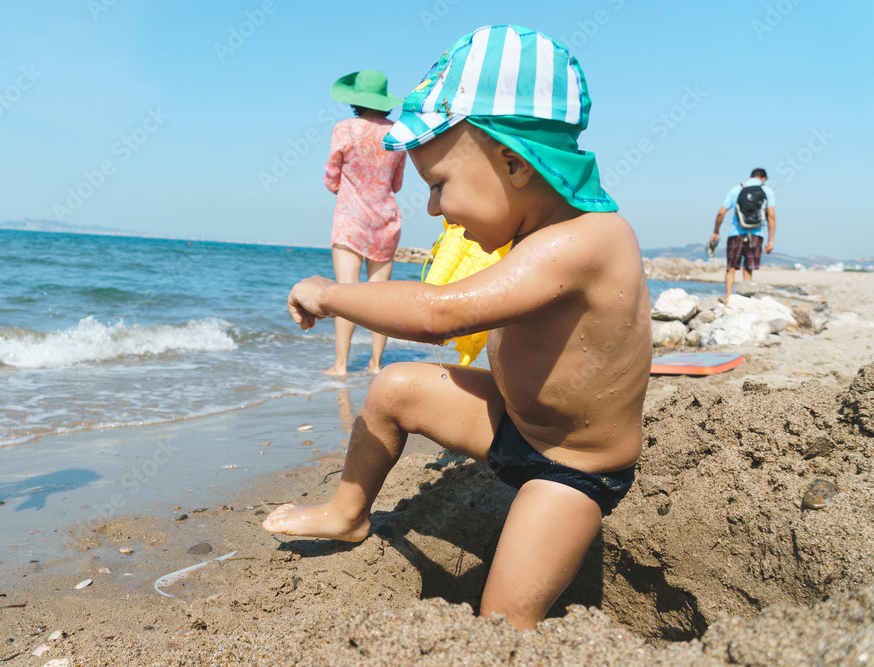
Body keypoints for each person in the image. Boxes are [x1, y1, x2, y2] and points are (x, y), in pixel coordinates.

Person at [263, 25, 651, 630]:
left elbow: (440, 313)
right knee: (395, 389)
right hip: (513, 424)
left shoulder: (584, 243)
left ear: (514, 163)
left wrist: (331, 293)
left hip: (572, 469)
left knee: (500, 623)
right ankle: (347, 511)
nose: (434, 209)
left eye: (439, 185)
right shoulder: (530, 235)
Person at [323, 69, 407, 375]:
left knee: (346, 293)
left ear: (356, 99)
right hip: (386, 221)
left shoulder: (344, 129)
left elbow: (332, 177)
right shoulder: (397, 133)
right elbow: (396, 184)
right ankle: (376, 364)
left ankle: (341, 365)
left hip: (350, 219)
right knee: (378, 297)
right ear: (384, 100)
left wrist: (343, 186)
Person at [710, 168, 777, 298]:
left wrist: (716, 231)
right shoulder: (767, 191)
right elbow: (771, 216)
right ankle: (746, 297)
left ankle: (729, 296)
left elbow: (721, 212)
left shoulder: (737, 189)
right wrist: (771, 240)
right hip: (756, 234)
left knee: (731, 267)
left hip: (735, 232)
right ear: (764, 179)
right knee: (748, 267)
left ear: (750, 176)